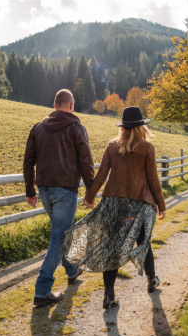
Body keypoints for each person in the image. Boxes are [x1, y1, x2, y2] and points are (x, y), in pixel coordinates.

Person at [63, 106, 166, 309]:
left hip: (113, 204)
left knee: (111, 247)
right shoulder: (147, 148)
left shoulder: (112, 146)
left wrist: (89, 197)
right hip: (138, 205)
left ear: (123, 127)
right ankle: (151, 280)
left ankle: (109, 294)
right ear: (140, 127)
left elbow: (101, 175)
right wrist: (161, 205)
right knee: (143, 242)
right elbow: (154, 180)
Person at [23, 89, 96, 307]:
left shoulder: (38, 128)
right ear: (71, 106)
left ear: (54, 105)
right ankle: (43, 289)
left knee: (61, 233)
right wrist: (90, 193)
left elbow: (28, 161)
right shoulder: (76, 127)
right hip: (65, 190)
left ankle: (73, 271)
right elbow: (86, 160)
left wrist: (30, 190)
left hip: (44, 190)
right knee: (59, 237)